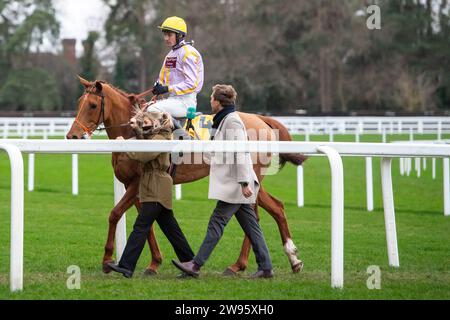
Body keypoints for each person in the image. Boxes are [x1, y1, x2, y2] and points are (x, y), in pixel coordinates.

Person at [172, 84, 274, 279]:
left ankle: (195, 265)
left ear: (218, 102)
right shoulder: (223, 120)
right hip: (236, 183)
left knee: (216, 222)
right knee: (251, 226)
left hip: (236, 184)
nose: (210, 101)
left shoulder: (232, 121)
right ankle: (266, 267)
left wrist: (245, 183)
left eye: (212, 98)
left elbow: (242, 152)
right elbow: (214, 150)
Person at [108, 111, 194, 278]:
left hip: (157, 186)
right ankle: (190, 262)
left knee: (140, 227)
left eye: (147, 121)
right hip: (154, 185)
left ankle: (126, 266)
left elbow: (143, 155)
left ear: (156, 123)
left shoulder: (162, 137)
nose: (144, 123)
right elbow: (145, 144)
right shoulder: (156, 136)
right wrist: (137, 130)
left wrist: (123, 145)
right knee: (171, 229)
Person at [147, 16, 204, 119]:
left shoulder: (188, 52)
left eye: (169, 35)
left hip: (185, 102)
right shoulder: (170, 55)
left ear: (180, 35)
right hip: (173, 100)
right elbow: (163, 80)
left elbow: (191, 84)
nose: (166, 38)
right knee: (144, 107)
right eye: (165, 35)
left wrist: (167, 88)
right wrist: (158, 86)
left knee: (152, 110)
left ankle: (181, 134)